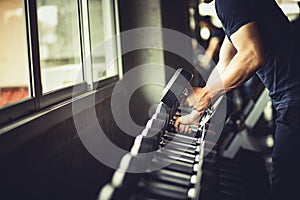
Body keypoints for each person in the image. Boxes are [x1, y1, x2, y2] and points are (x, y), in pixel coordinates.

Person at [175, 0, 300, 199]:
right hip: (290, 96)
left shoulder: (227, 2)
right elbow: (227, 59)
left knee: (285, 187)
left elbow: (252, 56)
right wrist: (197, 112)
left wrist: (207, 95)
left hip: (293, 97)